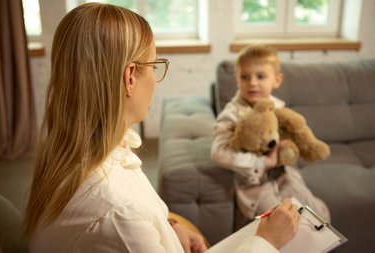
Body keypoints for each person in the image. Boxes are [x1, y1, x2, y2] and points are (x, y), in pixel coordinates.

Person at [23, 3, 300, 253]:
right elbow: (124, 218)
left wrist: (167, 226)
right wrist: (266, 242)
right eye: (154, 65)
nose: (156, 79)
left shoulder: (80, 155)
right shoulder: (117, 214)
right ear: (130, 77)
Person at [211, 45, 330, 227]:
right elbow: (218, 153)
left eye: (260, 76)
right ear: (237, 80)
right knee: (278, 221)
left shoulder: (278, 107)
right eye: (245, 77)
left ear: (277, 80)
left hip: (283, 173)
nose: (252, 83)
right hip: (255, 182)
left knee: (316, 214)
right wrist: (262, 163)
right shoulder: (232, 114)